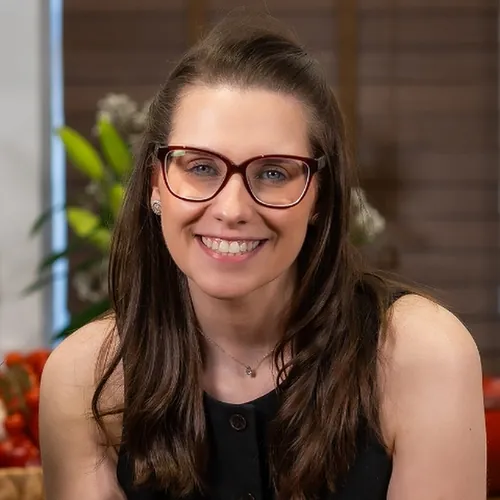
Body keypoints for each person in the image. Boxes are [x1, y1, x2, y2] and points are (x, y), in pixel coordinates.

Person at [39, 12, 486, 500]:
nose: (231, 209)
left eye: (273, 173)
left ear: (319, 197)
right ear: (155, 185)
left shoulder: (420, 356)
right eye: (201, 167)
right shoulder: (86, 378)